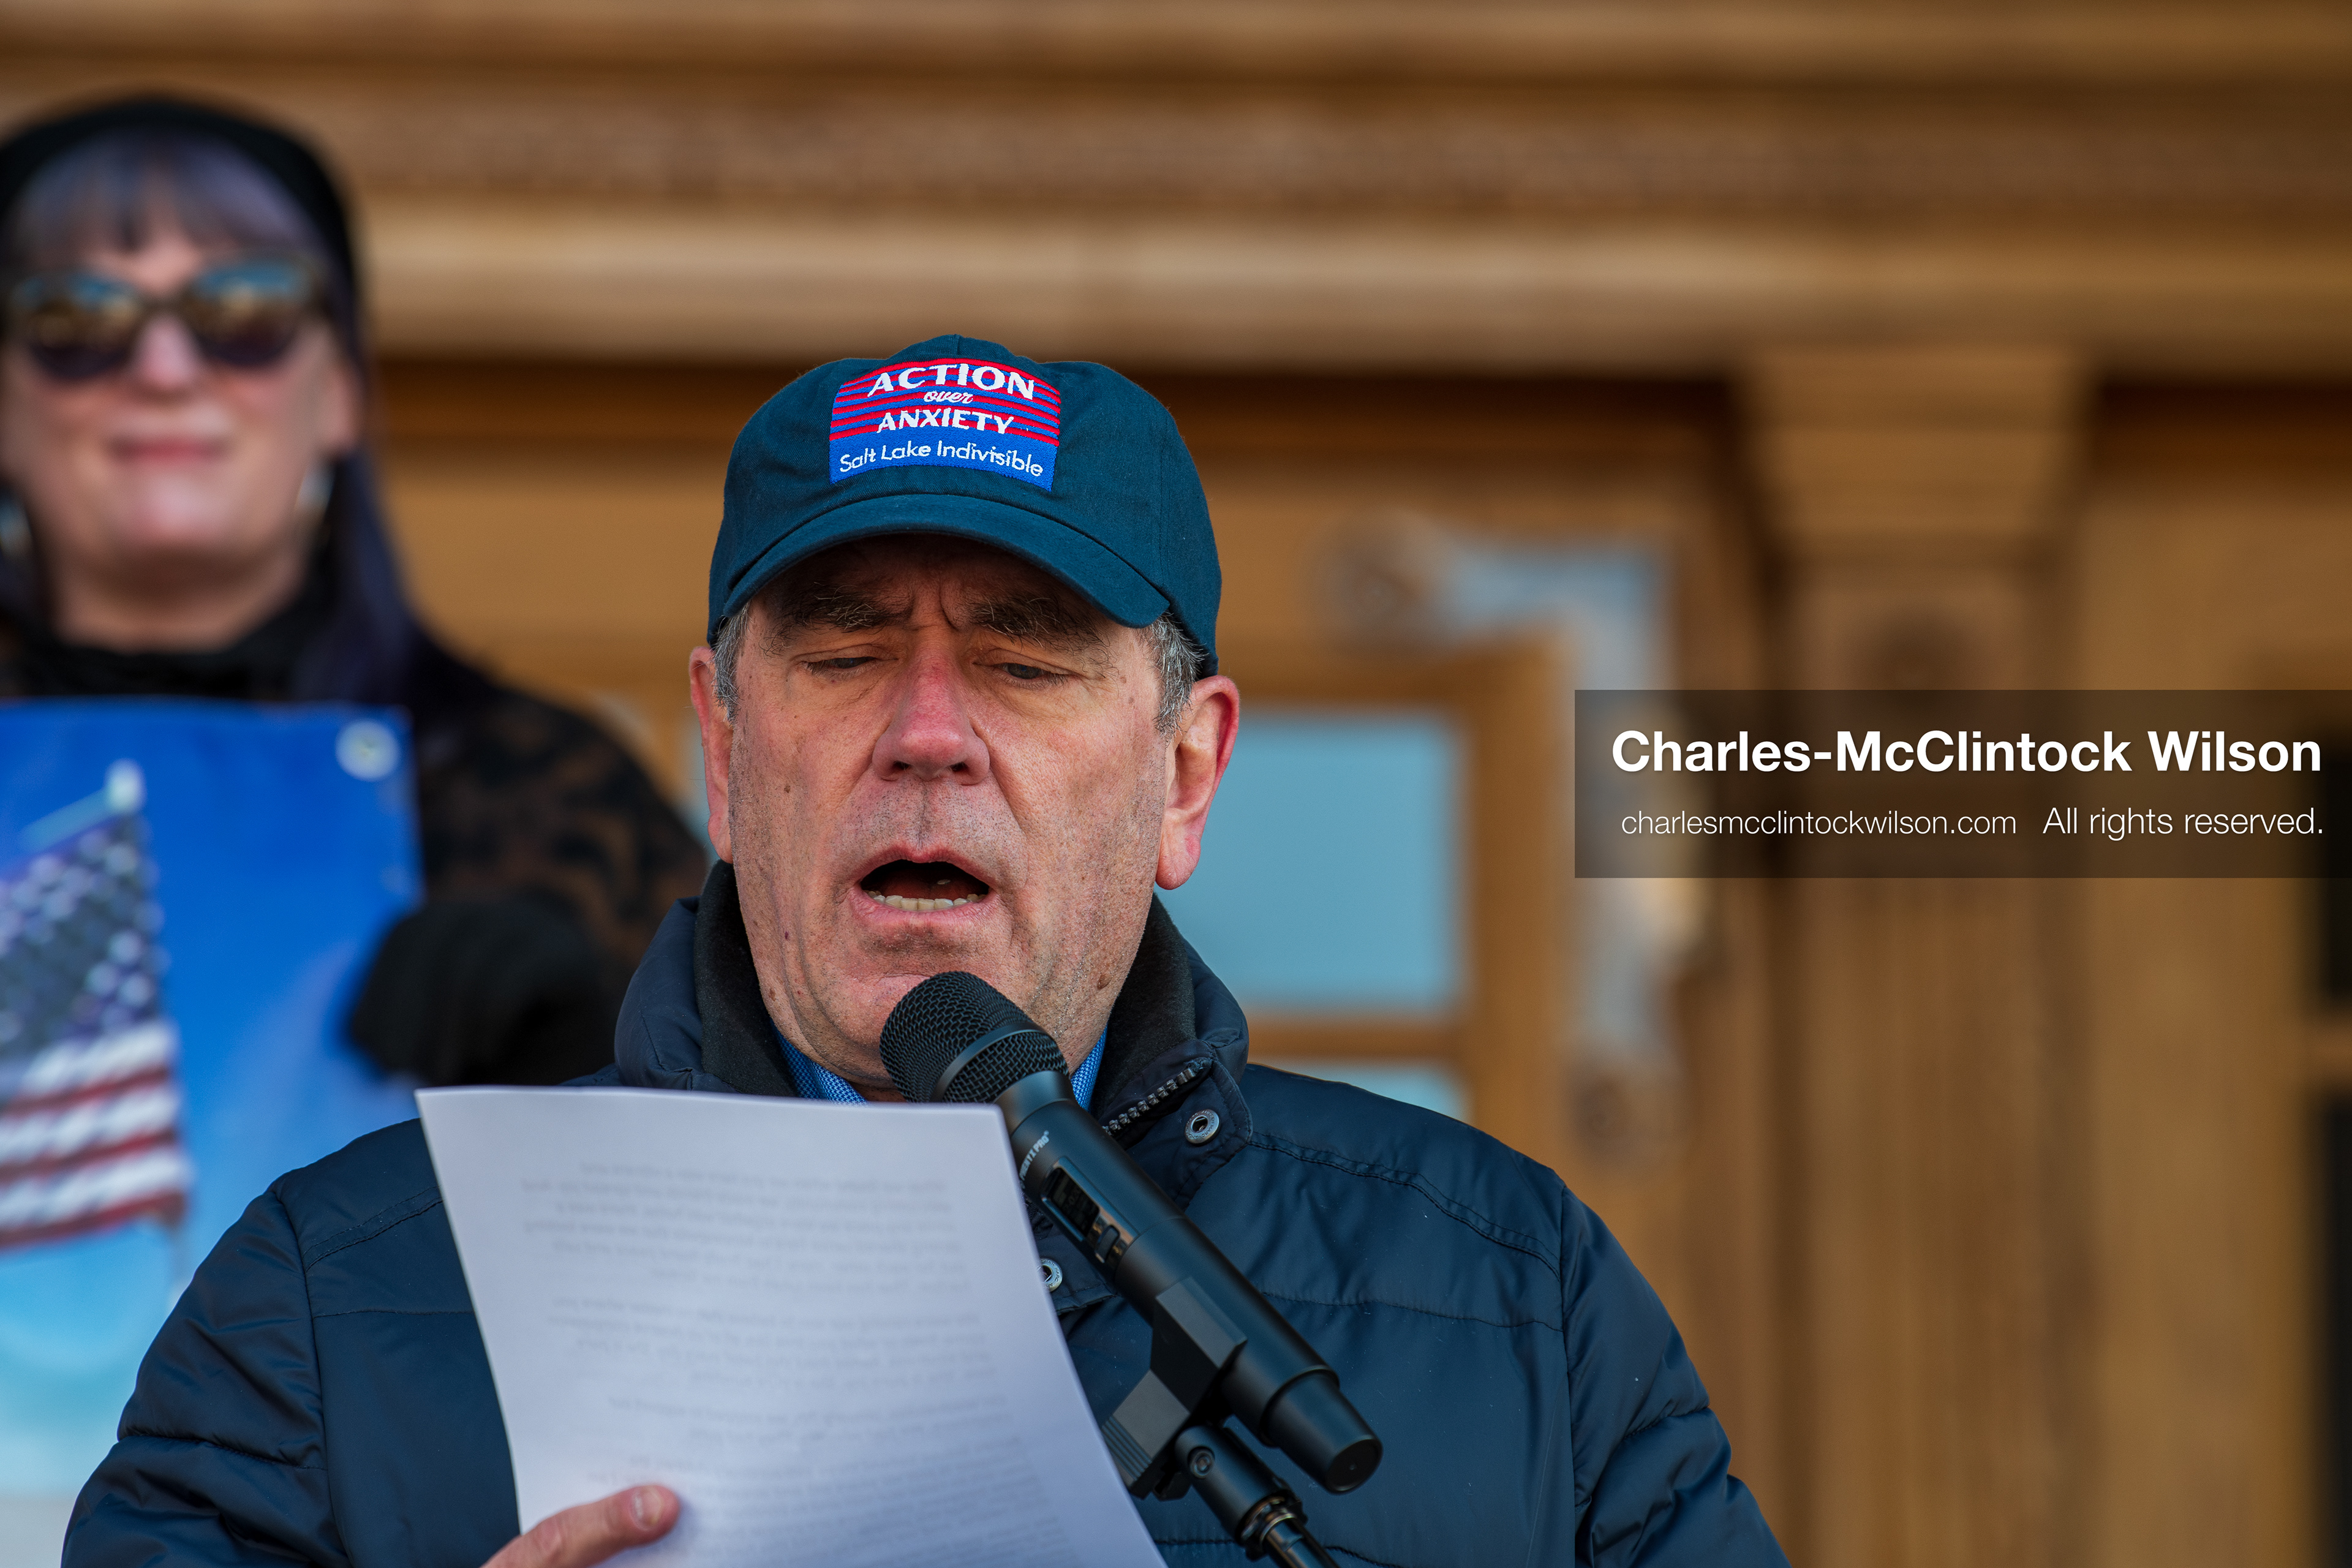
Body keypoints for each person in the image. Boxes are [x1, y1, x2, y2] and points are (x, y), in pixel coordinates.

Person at [64, 335, 1788, 1566]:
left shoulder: (1514, 1298)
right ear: (724, 753)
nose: (930, 733)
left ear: (1187, 772)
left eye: (1029, 660)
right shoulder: (327, 1298)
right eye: (843, 653)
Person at [0, 96, 706, 1085]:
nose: (163, 370)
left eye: (244, 312)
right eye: (77, 319)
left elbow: (758, 1192)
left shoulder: (552, 795)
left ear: (341, 390)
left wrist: (600, 1062)